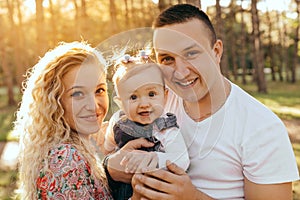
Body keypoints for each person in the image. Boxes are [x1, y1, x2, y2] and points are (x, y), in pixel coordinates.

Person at [104, 4, 299, 200]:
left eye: (191, 53)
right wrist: (112, 167)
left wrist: (193, 197)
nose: (180, 72)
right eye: (167, 59)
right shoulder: (157, 100)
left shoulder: (261, 127)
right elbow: (107, 144)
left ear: (216, 51)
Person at [13, 41, 113, 199]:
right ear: (55, 102)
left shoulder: (82, 147)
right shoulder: (66, 158)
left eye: (99, 90)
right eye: (78, 94)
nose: (94, 106)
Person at [103, 53, 189, 199]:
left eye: (151, 94)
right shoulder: (118, 121)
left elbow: (182, 160)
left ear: (165, 96)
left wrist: (155, 159)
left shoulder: (165, 127)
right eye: (133, 97)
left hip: (154, 192)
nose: (144, 104)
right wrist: (114, 158)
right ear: (120, 103)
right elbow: (108, 148)